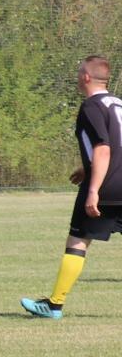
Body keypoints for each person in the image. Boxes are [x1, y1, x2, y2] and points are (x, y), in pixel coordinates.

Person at [23, 57, 122, 319]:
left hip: (106, 187)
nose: (77, 76)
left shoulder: (91, 106)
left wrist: (93, 188)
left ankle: (54, 305)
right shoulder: (118, 104)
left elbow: (103, 148)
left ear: (86, 77)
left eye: (79, 71)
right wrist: (86, 168)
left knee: (78, 240)